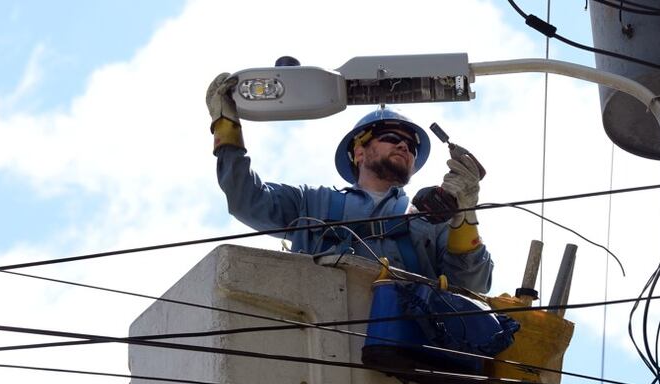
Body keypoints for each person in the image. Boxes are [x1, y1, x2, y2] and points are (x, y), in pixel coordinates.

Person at [206, 73, 493, 293]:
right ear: (359, 152)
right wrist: (225, 128)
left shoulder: (432, 220)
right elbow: (246, 200)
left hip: (410, 341)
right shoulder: (312, 203)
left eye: (412, 146)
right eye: (392, 138)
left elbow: (473, 285)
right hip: (326, 336)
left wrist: (464, 214)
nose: (404, 147)